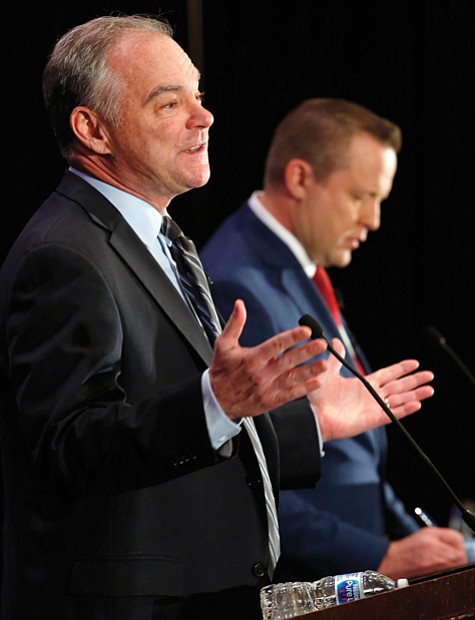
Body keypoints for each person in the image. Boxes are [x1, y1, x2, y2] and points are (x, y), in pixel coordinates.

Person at [0, 17, 435, 619]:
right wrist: (218, 402)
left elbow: (185, 439)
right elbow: (70, 448)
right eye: (169, 101)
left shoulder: (162, 240)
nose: (203, 117)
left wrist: (305, 425)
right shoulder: (64, 253)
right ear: (92, 129)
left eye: (199, 96)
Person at [201, 98, 468, 582]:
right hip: (312, 582)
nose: (373, 220)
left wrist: (407, 540)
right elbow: (245, 471)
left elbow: (356, 453)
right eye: (361, 197)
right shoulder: (238, 281)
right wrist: (375, 555)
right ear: (301, 178)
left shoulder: (301, 269)